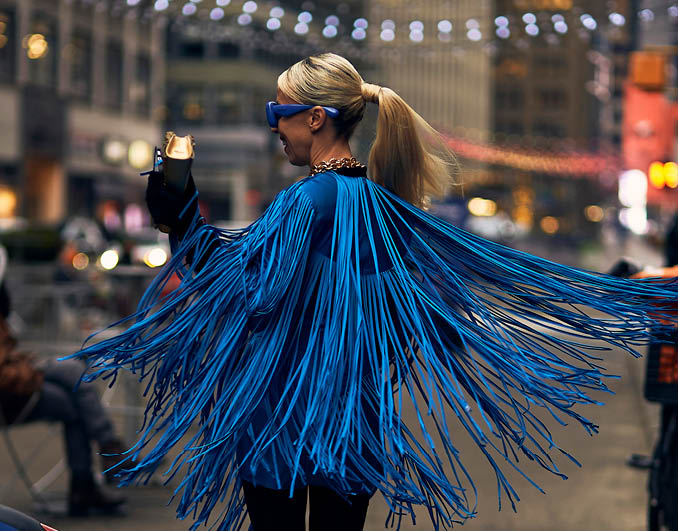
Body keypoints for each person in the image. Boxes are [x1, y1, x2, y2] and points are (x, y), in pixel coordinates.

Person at [70, 53, 677, 531]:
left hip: (282, 418)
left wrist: (179, 211)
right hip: (354, 418)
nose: (272, 128)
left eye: (275, 113)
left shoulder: (307, 201)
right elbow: (455, 297)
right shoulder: (386, 209)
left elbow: (242, 290)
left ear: (314, 118)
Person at [0, 246, 126, 516]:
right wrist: (31, 371)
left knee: (73, 382)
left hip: (15, 385)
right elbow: (5, 372)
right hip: (10, 395)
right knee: (74, 381)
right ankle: (103, 461)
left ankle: (97, 470)